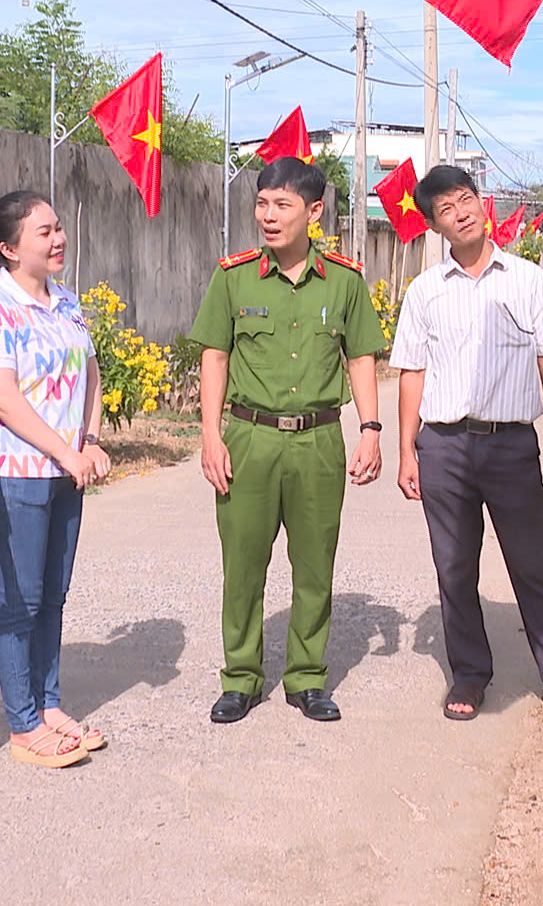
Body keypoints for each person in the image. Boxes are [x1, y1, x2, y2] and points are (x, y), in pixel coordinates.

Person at [393, 164, 543, 722]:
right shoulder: (424, 292)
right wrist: (406, 449)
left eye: (466, 199)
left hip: (511, 446)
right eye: (446, 208)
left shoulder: (528, 279)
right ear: (435, 226)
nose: (461, 211)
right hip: (443, 447)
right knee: (455, 568)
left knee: (532, 563)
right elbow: (411, 370)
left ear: (480, 202)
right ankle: (469, 674)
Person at [188, 157, 388, 724]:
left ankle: (306, 677)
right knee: (244, 565)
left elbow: (362, 358)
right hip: (249, 438)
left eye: (282, 205)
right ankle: (241, 677)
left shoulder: (345, 281)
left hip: (318, 441)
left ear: (314, 211)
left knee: (314, 566)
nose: (268, 217)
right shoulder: (234, 277)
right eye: (262, 204)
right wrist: (210, 435)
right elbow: (215, 356)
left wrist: (370, 430)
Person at [0, 191, 111, 770]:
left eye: (57, 228)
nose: (58, 240)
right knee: (20, 600)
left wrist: (92, 440)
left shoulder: (66, 301)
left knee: (54, 594)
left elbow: (92, 373)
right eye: (43, 232)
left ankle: (49, 704)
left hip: (64, 473)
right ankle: (23, 723)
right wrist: (65, 453)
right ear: (8, 248)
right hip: (17, 474)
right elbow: (2, 398)